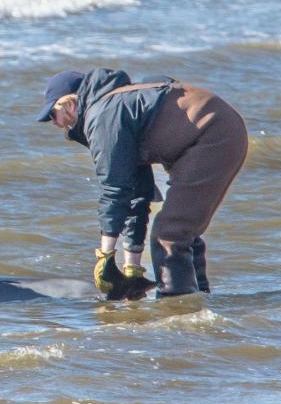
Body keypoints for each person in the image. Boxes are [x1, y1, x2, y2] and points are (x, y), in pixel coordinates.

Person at [36, 68, 247, 299]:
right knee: (183, 230)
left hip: (212, 134)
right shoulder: (118, 107)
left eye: (51, 115)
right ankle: (199, 304)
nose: (53, 124)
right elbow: (136, 196)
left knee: (170, 233)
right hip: (218, 131)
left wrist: (104, 256)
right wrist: (132, 269)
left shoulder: (103, 115)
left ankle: (176, 315)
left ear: (69, 105)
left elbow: (114, 190)